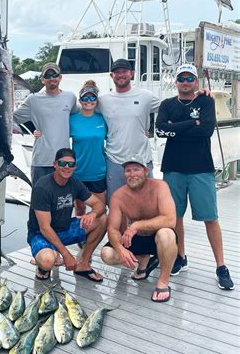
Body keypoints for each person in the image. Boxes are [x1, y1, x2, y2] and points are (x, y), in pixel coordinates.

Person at [155, 63, 234, 290]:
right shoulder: (167, 104)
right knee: (175, 217)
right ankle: (181, 256)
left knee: (210, 217)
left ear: (196, 82)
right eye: (182, 78)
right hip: (173, 168)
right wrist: (192, 123)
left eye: (190, 78)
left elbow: (206, 131)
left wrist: (176, 128)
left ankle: (221, 266)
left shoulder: (206, 101)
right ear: (176, 82)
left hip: (201, 169)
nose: (186, 82)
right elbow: (160, 130)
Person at [101, 156, 178, 302]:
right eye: (128, 170)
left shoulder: (160, 186)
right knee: (107, 254)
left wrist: (136, 225)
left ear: (146, 171)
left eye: (136, 169)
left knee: (166, 234)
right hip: (135, 239)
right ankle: (143, 263)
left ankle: (163, 282)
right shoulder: (118, 196)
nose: (132, 174)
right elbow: (113, 228)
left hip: (157, 238)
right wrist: (120, 248)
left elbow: (170, 220)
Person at [28, 148, 107, 281]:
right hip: (40, 234)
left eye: (71, 164)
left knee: (103, 219)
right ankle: (42, 266)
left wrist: (92, 214)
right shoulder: (42, 187)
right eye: (62, 163)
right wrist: (66, 254)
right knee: (47, 261)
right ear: (55, 164)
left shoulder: (75, 183)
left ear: (75, 166)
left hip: (64, 229)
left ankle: (83, 264)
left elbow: (99, 205)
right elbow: (44, 228)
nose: (66, 167)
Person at [97, 58, 160, 202]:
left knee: (147, 204)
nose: (120, 75)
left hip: (142, 159)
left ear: (131, 74)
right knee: (115, 203)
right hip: (115, 161)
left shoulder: (146, 96)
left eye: (124, 71)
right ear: (111, 76)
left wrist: (199, 95)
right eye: (116, 72)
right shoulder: (103, 100)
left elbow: (171, 107)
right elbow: (81, 109)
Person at [13, 62, 77, 185]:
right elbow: (13, 118)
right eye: (47, 75)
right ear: (42, 79)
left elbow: (78, 116)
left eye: (54, 75)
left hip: (64, 162)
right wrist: (33, 130)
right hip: (41, 161)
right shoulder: (33, 99)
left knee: (62, 202)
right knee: (39, 200)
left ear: (60, 77)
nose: (51, 78)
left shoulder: (70, 97)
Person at [70, 80, 107, 213]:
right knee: (80, 209)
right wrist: (38, 132)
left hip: (98, 172)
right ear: (80, 100)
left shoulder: (103, 118)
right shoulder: (72, 119)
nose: (88, 100)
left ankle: (96, 234)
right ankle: (81, 234)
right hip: (78, 173)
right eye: (85, 97)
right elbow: (56, 133)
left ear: (97, 100)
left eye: (92, 97)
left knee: (100, 210)